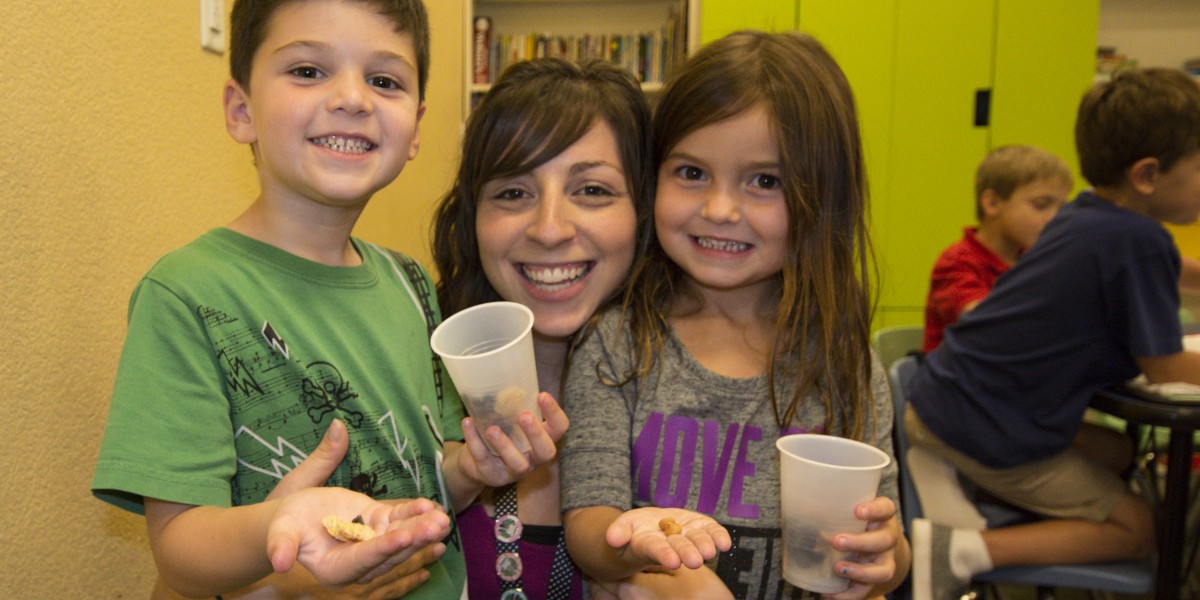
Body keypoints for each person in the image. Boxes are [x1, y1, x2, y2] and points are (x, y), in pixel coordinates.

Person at [91, 1, 563, 598]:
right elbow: (180, 551)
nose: (353, 99)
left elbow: (424, 476)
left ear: (415, 129)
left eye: (383, 80)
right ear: (242, 111)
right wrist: (276, 532)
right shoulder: (188, 294)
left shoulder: (412, 284)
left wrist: (471, 470)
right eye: (308, 71)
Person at [559, 30, 911, 600]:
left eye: (765, 181)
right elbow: (588, 528)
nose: (720, 209)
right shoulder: (617, 344)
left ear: (821, 196)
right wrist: (634, 546)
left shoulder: (844, 360)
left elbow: (885, 540)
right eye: (692, 173)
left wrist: (884, 558)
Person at [904, 67, 1200, 600]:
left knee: (1115, 452)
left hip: (953, 400)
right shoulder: (1138, 239)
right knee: (1140, 529)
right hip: (986, 426)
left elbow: (1169, 267)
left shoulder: (1085, 216)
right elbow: (1169, 370)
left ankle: (978, 493)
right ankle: (962, 550)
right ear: (1148, 175)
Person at [431, 57, 656, 600]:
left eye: (593, 190)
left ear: (645, 213)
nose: (550, 229)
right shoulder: (412, 388)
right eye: (513, 193)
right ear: (471, 217)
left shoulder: (696, 404)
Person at [922, 145, 1072, 351]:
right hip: (962, 379)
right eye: (1041, 205)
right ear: (992, 203)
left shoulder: (1035, 261)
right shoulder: (956, 262)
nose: (1055, 218)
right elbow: (986, 323)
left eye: (1061, 208)